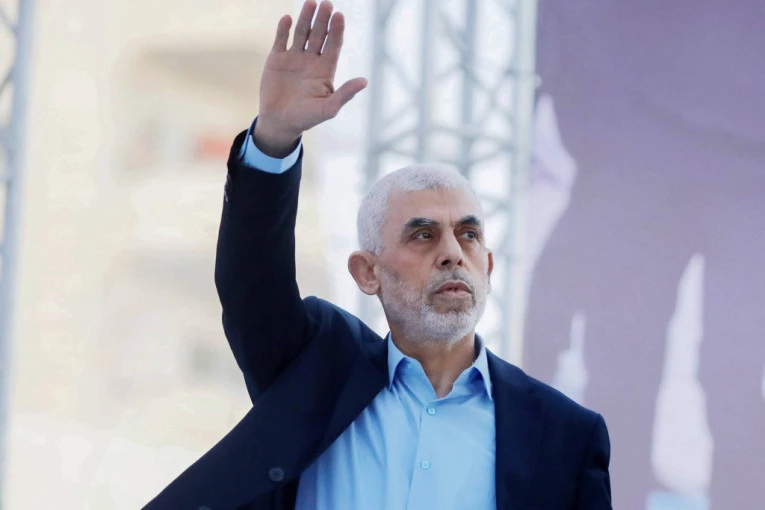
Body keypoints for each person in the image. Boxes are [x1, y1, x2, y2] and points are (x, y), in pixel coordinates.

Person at [144, 2, 611, 509]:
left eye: (468, 235)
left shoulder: (564, 435)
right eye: (423, 235)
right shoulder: (315, 370)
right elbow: (251, 283)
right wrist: (274, 139)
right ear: (368, 273)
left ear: (489, 267)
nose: (452, 253)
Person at [525, 1, 765, 509]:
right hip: (633, 145)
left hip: (747, 162)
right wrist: (588, 120)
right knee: (620, 361)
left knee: (738, 373)